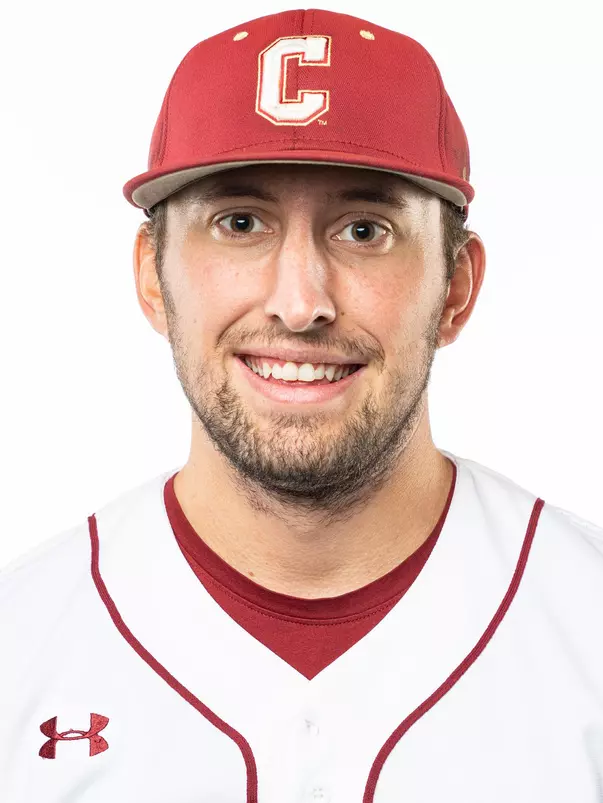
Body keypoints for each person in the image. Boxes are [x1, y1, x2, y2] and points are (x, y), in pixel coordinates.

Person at [1, 9, 602, 803]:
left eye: (364, 229)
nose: (299, 302)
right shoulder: (20, 649)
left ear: (454, 287)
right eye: (239, 223)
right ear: (152, 276)